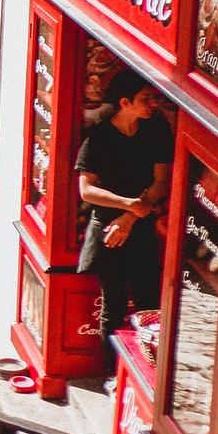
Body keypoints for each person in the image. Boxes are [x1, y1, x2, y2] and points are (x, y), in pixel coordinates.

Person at [76, 70, 173, 383]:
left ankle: (146, 376)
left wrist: (131, 215)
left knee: (149, 305)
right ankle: (112, 376)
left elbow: (161, 182)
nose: (152, 104)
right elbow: (86, 190)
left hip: (137, 224)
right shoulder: (100, 137)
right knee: (113, 306)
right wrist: (126, 205)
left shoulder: (156, 129)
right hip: (107, 228)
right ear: (124, 102)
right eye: (146, 99)